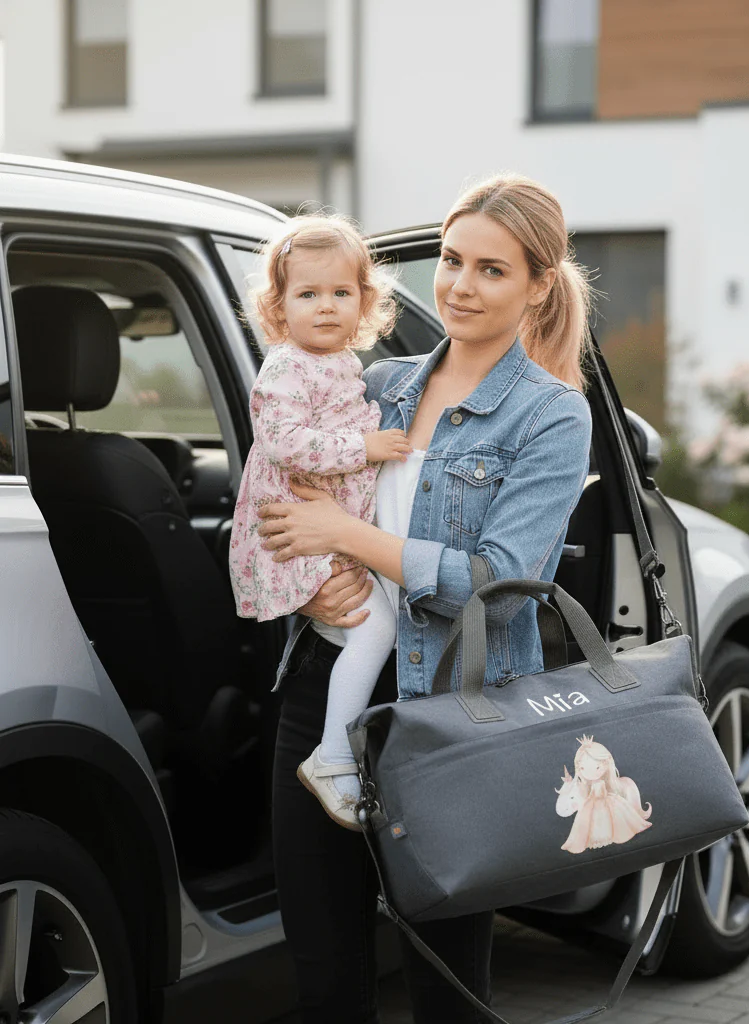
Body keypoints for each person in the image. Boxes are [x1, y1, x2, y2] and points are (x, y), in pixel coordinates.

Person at [258, 175, 595, 1023]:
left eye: (491, 269)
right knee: (324, 980)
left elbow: (497, 586)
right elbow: (287, 500)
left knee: (445, 988)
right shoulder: (380, 384)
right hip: (324, 704)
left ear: (537, 285)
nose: (459, 286)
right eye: (450, 261)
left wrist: (350, 539)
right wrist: (316, 585)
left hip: (449, 715)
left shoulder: (552, 415)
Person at [228, 215, 412, 828]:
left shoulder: (340, 364)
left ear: (364, 302)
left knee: (377, 618)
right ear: (278, 308)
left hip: (330, 530)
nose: (326, 307)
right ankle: (333, 756)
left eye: (341, 293)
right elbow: (283, 443)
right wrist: (367, 447)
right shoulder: (286, 366)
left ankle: (344, 751)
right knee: (374, 629)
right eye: (308, 295)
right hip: (295, 530)